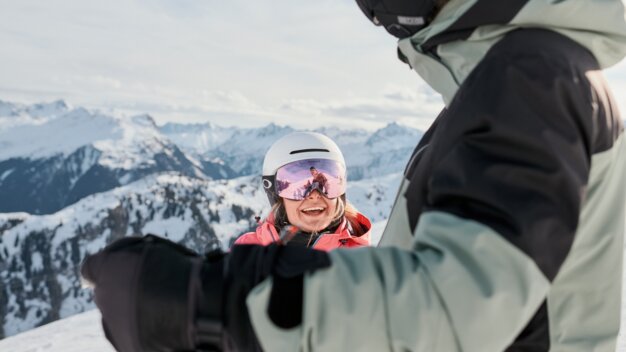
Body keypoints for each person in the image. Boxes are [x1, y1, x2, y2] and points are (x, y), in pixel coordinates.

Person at [81, 1, 626, 351]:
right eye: (298, 181)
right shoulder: (516, 80)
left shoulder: (530, 80)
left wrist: (208, 303)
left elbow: (454, 306)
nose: (315, 192)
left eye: (324, 177)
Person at [234, 131, 371, 250]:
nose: (315, 195)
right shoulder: (247, 251)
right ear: (275, 194)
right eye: (297, 187)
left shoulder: (361, 260)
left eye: (330, 187)